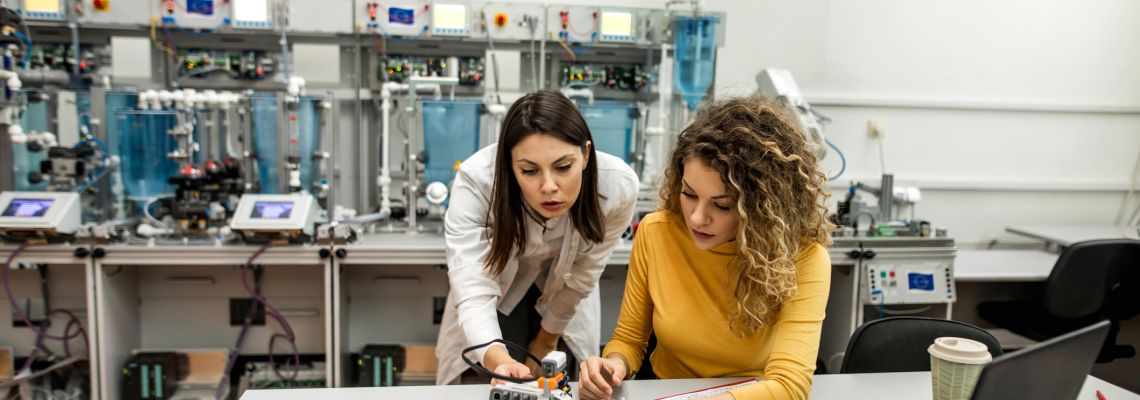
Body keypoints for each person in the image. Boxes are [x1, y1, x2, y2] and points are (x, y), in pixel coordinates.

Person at [579, 96, 834, 400]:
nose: (698, 218)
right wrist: (612, 365)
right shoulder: (657, 233)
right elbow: (630, 339)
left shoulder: (804, 259)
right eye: (689, 194)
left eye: (722, 205)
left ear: (762, 208)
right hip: (663, 387)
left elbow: (790, 386)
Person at [435, 90, 640, 385]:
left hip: (565, 290)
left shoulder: (617, 186)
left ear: (585, 154)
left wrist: (547, 338)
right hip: (495, 290)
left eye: (563, 167)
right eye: (529, 170)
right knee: (486, 381)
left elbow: (585, 271)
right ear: (509, 165)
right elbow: (473, 287)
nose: (549, 186)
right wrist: (499, 359)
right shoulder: (476, 181)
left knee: (566, 382)